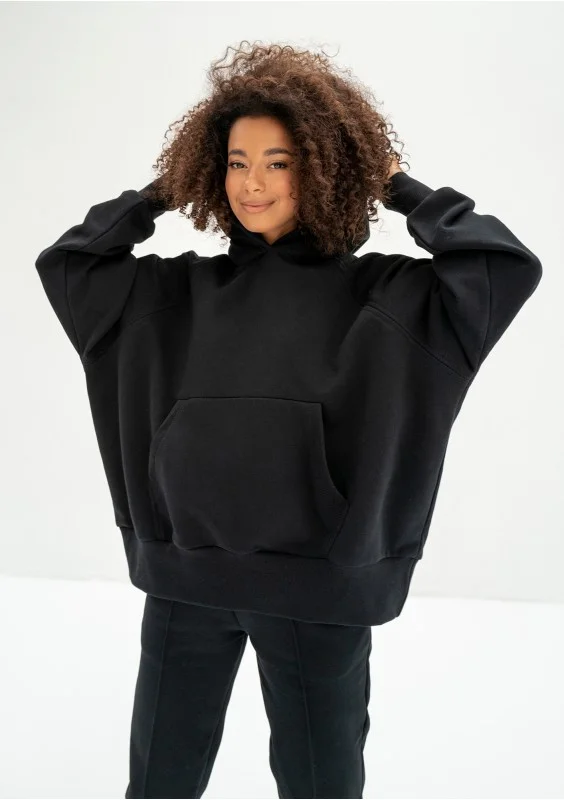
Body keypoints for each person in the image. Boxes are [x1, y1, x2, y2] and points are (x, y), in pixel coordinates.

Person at [34, 42, 542, 800]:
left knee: (320, 785)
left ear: (324, 166)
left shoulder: (388, 298)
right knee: (159, 782)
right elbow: (71, 264)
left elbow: (502, 266)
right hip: (186, 577)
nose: (252, 184)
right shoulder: (175, 294)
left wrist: (397, 186)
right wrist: (162, 194)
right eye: (235, 163)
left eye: (279, 162)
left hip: (317, 589)